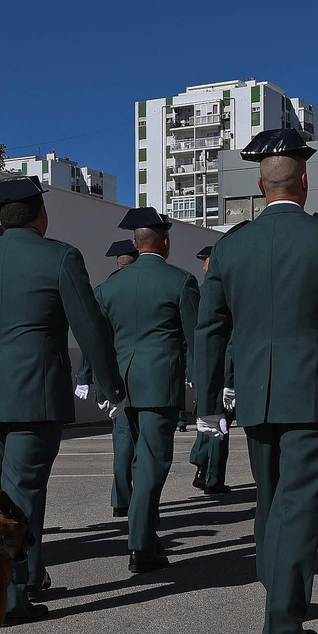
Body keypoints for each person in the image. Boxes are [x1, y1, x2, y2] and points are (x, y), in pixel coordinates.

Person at [195, 128, 318, 634]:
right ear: (304, 181)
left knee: (271, 497)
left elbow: (209, 330)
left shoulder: (231, 247)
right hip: (313, 390)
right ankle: (281, 624)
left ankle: (280, 589)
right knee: (300, 505)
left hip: (255, 393)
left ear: (260, 183)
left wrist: (208, 404)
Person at [0, 175, 124, 620]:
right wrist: (110, 384)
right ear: (41, 215)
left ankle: (24, 573)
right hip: (35, 391)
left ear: (2, 220)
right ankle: (6, 597)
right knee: (20, 496)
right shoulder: (60, 257)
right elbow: (91, 327)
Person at [95, 208, 199, 572]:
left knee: (140, 460)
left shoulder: (108, 286)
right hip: (159, 384)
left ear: (136, 245)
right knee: (153, 464)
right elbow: (196, 339)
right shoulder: (180, 281)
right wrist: (204, 386)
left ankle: (147, 534)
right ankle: (140, 544)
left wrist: (102, 384)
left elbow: (98, 340)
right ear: (165, 242)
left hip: (123, 385)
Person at [77, 239, 139, 518]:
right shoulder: (149, 284)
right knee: (147, 442)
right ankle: (142, 498)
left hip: (115, 378)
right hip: (149, 376)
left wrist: (84, 377)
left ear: (117, 262)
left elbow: (92, 339)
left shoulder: (101, 292)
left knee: (123, 439)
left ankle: (121, 498)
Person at [188, 245, 232, 495]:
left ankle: (201, 463)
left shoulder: (200, 292)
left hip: (204, 367)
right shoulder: (227, 291)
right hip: (224, 366)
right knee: (221, 422)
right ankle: (212, 475)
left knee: (206, 418)